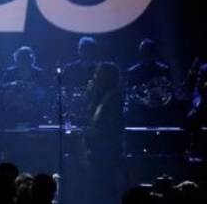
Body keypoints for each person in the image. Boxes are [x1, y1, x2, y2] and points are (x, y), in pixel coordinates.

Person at [81, 61, 126, 203]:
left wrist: (90, 132)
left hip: (107, 155)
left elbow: (111, 129)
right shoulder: (101, 96)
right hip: (99, 152)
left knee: (102, 191)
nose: (95, 78)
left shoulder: (114, 98)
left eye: (98, 75)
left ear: (107, 78)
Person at [0, 46, 50, 126]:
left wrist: (34, 87)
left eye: (26, 59)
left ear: (30, 60)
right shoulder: (10, 72)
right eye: (21, 59)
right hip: (13, 109)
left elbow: (47, 90)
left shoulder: (39, 73)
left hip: (33, 109)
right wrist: (12, 84)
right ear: (17, 60)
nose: (23, 62)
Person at [125, 38, 173, 125]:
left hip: (160, 112)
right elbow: (130, 93)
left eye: (146, 52)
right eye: (142, 52)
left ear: (153, 53)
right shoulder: (133, 72)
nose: (144, 55)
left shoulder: (163, 70)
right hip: (140, 113)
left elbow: (168, 91)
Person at [60, 36, 101, 126]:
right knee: (70, 134)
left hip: (92, 113)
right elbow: (62, 89)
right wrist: (69, 104)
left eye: (87, 50)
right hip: (71, 111)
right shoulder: (69, 69)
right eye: (81, 49)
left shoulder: (99, 70)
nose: (83, 52)